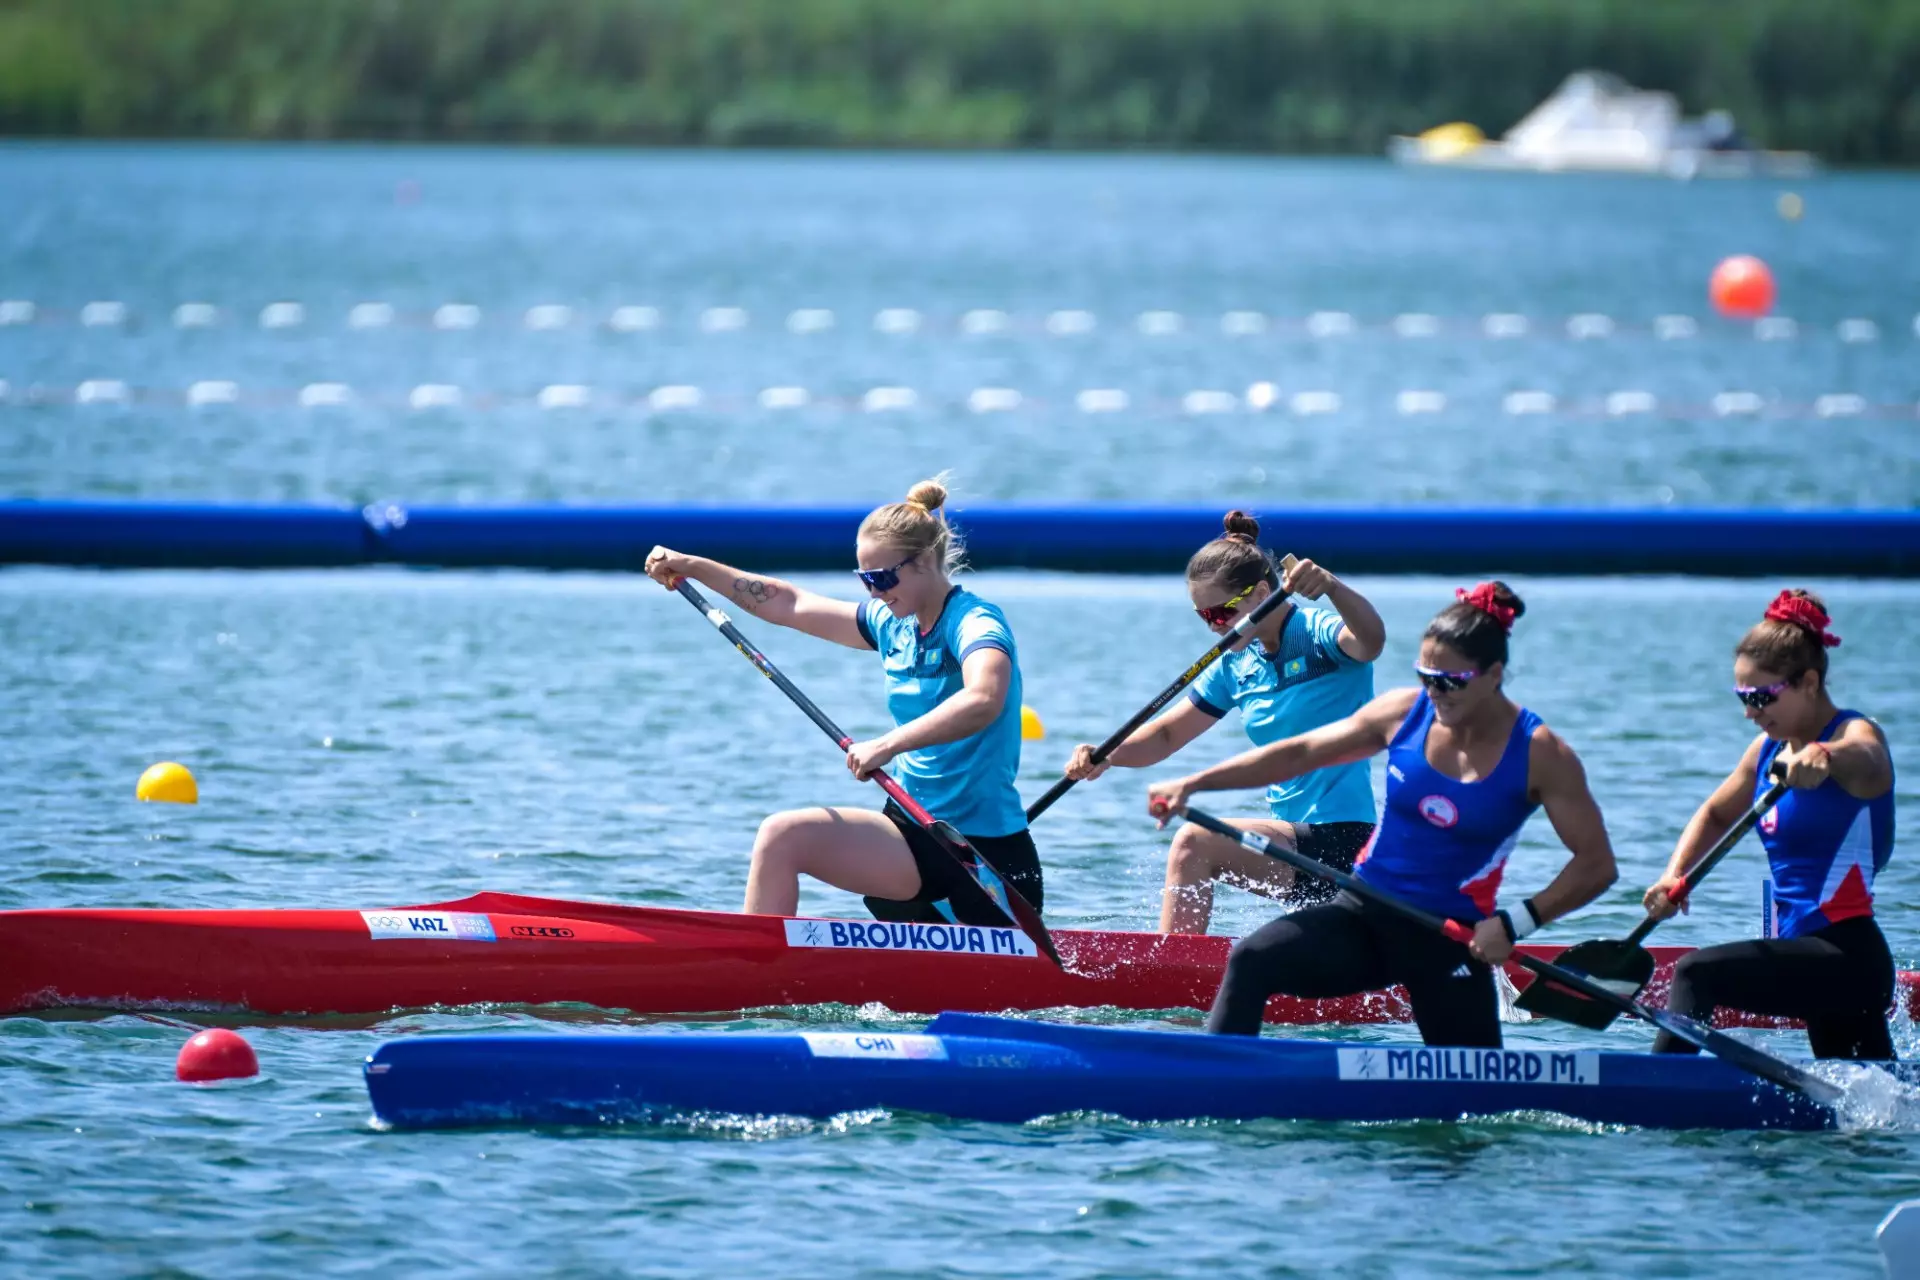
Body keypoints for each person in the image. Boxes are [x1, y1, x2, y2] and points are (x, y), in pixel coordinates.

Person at [1146, 583, 1617, 1047]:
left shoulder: (1542, 754)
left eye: (1451, 682)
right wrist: (1194, 783)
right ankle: (1223, 1091)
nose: (1435, 693)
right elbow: (1300, 753)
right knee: (1252, 958)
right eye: (1426, 677)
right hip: (1363, 912)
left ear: (1494, 675)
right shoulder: (1403, 713)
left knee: (1470, 1098)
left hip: (1448, 938)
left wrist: (1516, 924)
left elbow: (1596, 865)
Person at [642, 478, 1040, 925]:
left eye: (882, 578)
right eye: (864, 579)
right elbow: (788, 603)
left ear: (925, 561)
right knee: (782, 837)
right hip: (913, 831)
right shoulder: (892, 624)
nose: (873, 591)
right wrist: (694, 566)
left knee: (783, 835)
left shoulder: (973, 621)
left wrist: (888, 745)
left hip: (983, 861)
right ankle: (757, 975)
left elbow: (984, 698)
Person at [1063, 511, 1385, 933]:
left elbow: (1371, 642)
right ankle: (1186, 970)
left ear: (1262, 594)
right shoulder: (1236, 664)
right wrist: (1103, 754)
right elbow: (1165, 736)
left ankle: (1171, 973)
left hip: (1342, 841)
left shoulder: (1317, 632)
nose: (1216, 627)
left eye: (1222, 613)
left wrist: (1333, 588)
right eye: (1205, 617)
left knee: (1193, 843)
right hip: (1293, 844)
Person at [1643, 590, 1896, 1060]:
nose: (1750, 712)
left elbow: (1871, 761)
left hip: (1846, 958)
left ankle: (1653, 1095)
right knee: (1863, 1117)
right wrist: (1673, 876)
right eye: (1742, 697)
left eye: (1761, 697)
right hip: (1812, 963)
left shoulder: (1853, 734)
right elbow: (1716, 813)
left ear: (1809, 683)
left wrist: (1823, 754)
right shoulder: (1765, 752)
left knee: (1695, 974)